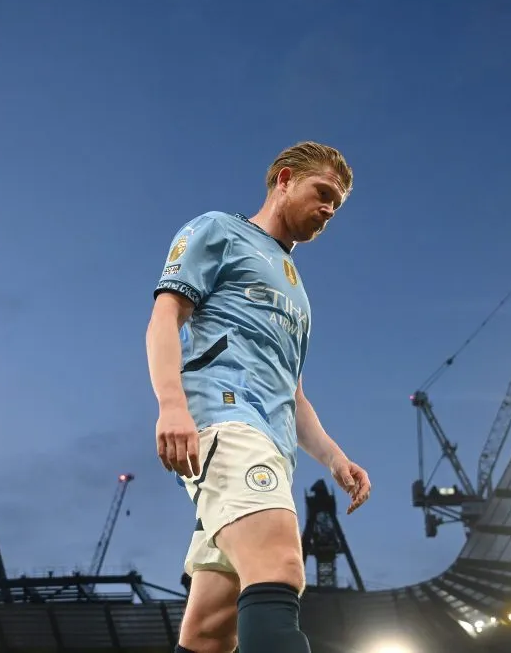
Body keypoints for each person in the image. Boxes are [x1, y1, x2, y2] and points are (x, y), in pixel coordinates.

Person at [145, 141, 372, 653]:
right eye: (322, 194)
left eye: (336, 206)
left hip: (272, 444)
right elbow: (165, 318)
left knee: (209, 632)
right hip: (226, 422)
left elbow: (292, 391)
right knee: (280, 566)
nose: (328, 211)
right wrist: (172, 404)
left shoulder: (298, 292)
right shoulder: (218, 231)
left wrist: (336, 459)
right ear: (284, 179)